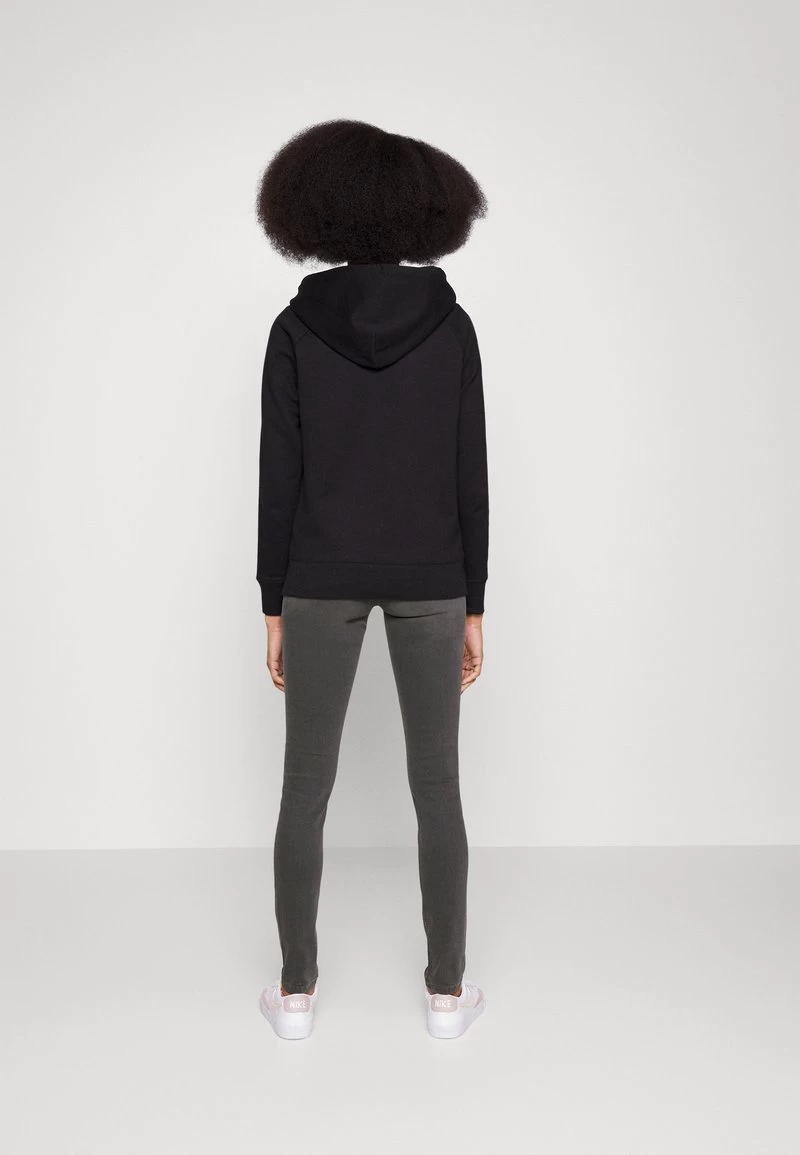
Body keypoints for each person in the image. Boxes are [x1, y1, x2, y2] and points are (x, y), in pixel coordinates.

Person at [253, 119, 489, 1040]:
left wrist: (273, 600)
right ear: (424, 213)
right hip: (434, 574)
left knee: (303, 786)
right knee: (440, 785)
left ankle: (296, 996)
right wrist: (474, 600)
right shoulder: (453, 328)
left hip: (318, 576)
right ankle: (446, 995)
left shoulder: (294, 328)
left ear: (316, 212)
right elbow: (469, 472)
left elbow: (280, 473)